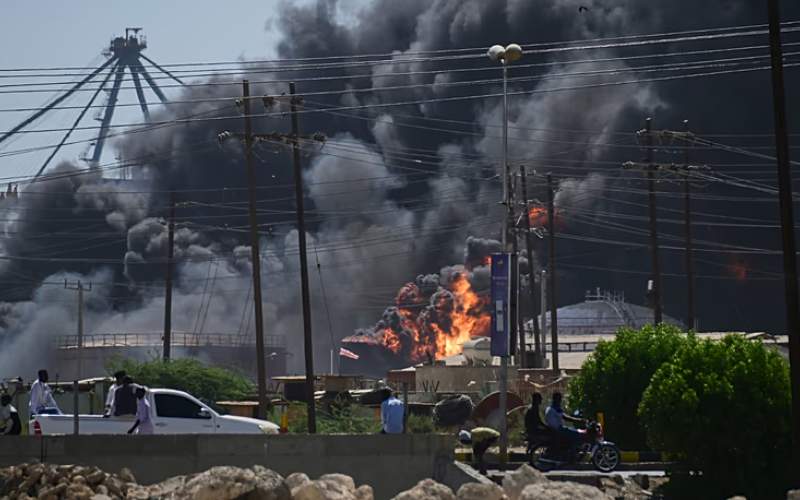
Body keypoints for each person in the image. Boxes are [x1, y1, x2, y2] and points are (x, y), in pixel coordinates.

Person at [544, 392, 584, 459]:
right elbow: (565, 417)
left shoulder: (550, 408)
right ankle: (573, 454)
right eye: (559, 399)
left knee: (572, 431)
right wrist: (579, 420)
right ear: (556, 399)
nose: (560, 400)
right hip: (558, 429)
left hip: (554, 429)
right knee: (576, 433)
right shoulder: (555, 408)